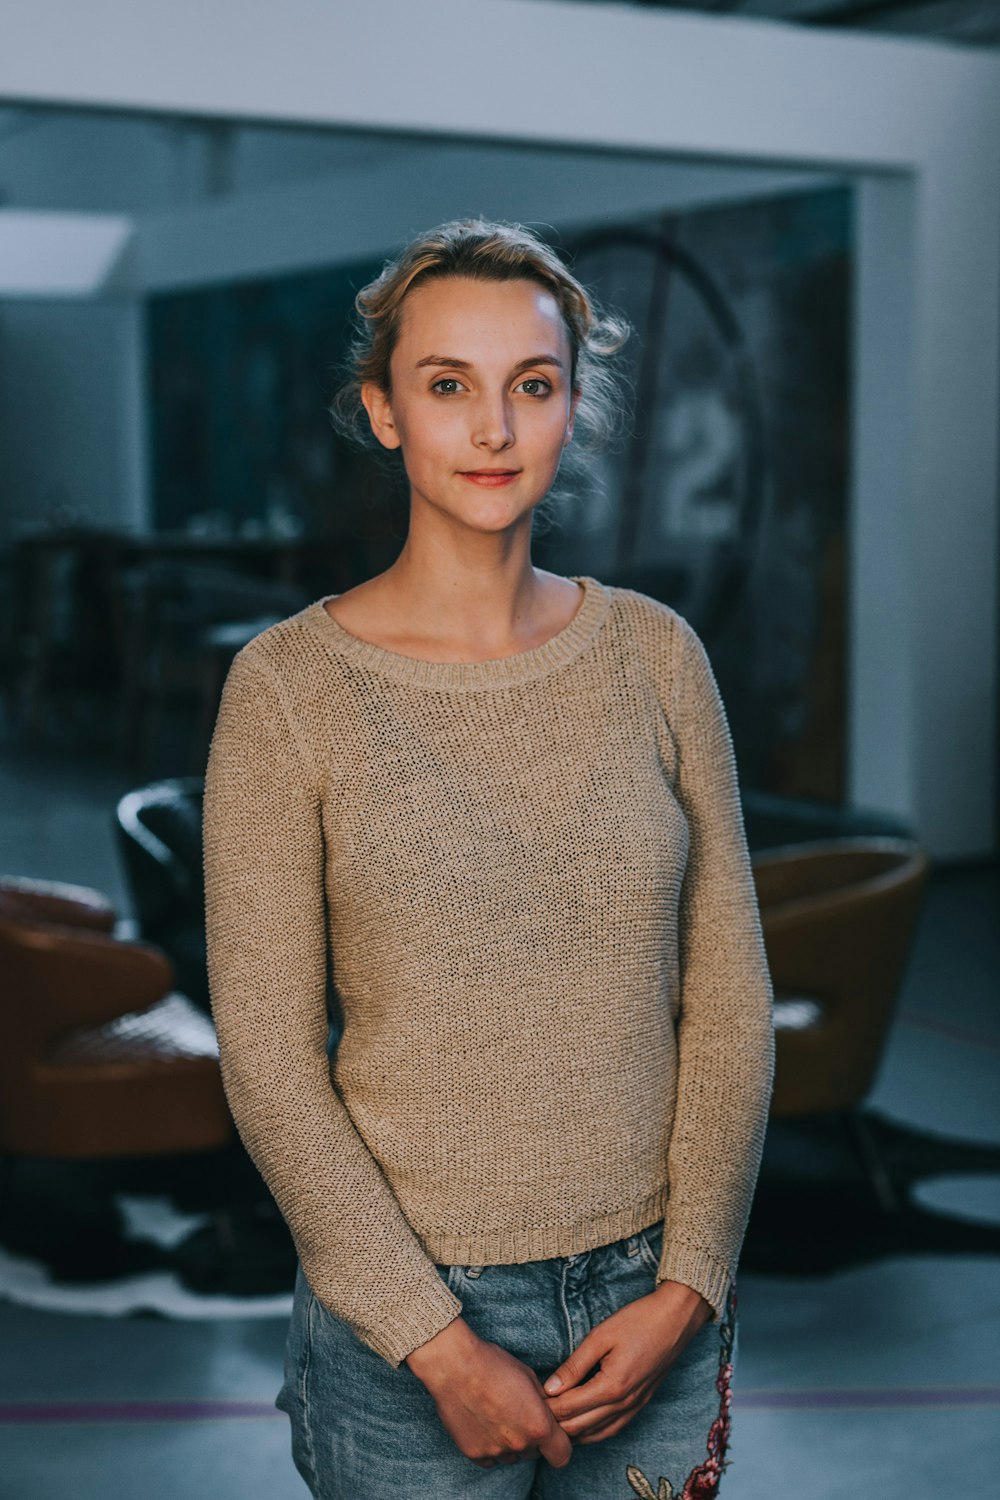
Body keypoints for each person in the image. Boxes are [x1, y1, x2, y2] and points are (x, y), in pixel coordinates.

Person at [202, 217, 775, 1500]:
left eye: (532, 385)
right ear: (384, 411)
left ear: (574, 403)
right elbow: (269, 1062)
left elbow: (730, 1004)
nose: (494, 429)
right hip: (404, 1319)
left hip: (653, 1304)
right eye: (446, 386)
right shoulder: (291, 688)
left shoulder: (656, 656)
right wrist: (438, 1345)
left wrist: (693, 1278)